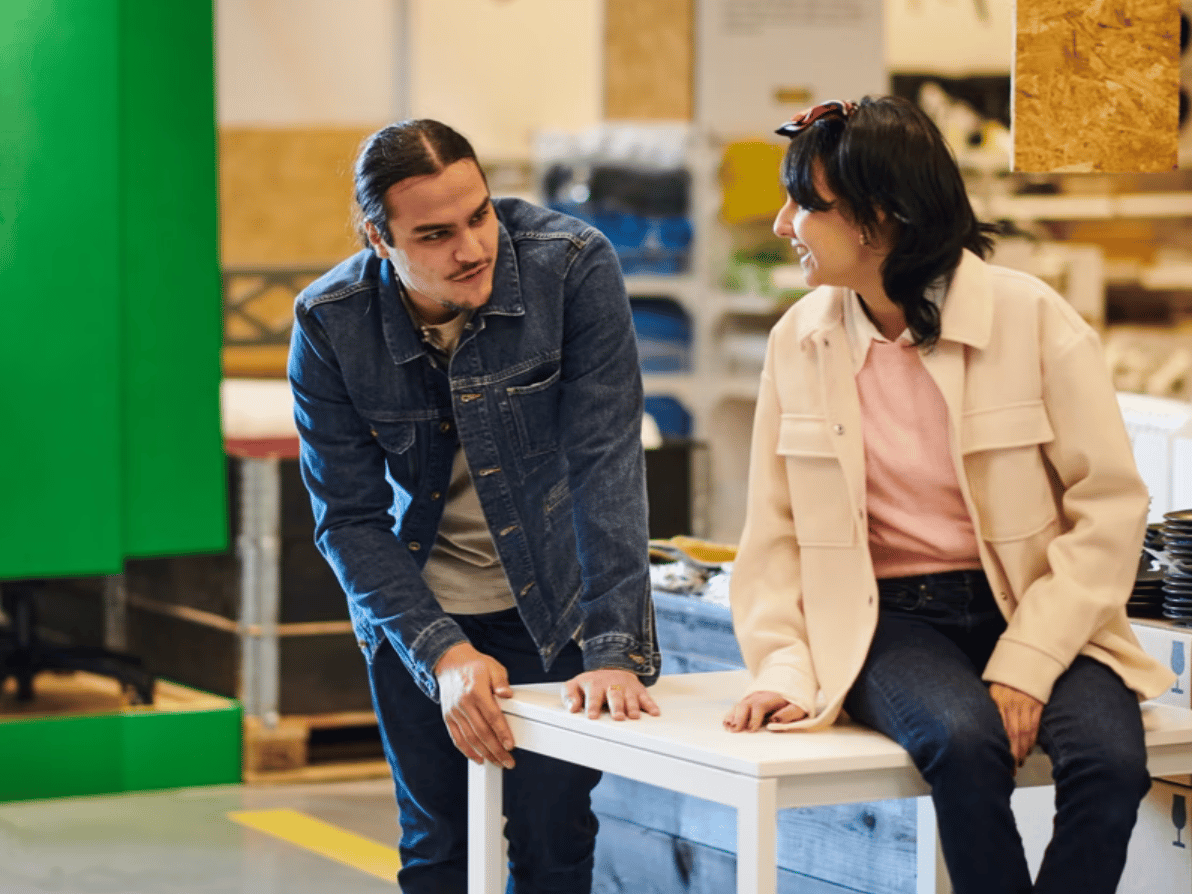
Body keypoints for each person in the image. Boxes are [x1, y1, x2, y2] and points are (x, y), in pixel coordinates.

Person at [722, 95, 1175, 894]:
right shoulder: (798, 342)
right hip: (887, 620)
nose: (783, 225)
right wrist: (784, 670)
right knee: (965, 745)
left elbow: (1109, 504)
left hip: (1040, 605)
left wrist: (1028, 664)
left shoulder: (1033, 318)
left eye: (807, 205)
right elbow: (774, 535)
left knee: (1109, 764)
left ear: (879, 217)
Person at [288, 118, 661, 894]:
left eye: (480, 215)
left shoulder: (572, 266)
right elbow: (348, 520)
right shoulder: (331, 322)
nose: (471, 248)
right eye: (434, 233)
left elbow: (606, 462)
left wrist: (612, 645)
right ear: (378, 238)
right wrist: (442, 654)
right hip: (421, 610)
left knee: (554, 845)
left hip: (553, 612)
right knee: (438, 853)